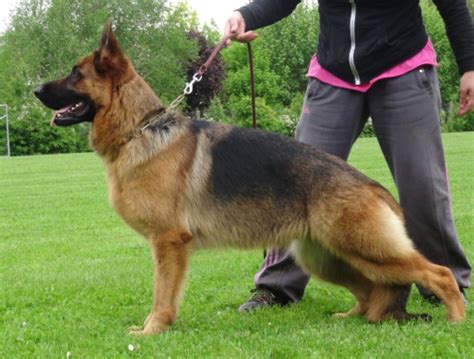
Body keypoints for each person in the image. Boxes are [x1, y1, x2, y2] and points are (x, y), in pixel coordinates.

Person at [224, 0, 474, 312]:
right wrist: (244, 15)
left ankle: (445, 284)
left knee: (423, 184)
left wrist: (469, 66)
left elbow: (453, 6)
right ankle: (275, 287)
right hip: (334, 72)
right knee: (294, 185)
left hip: (404, 66)